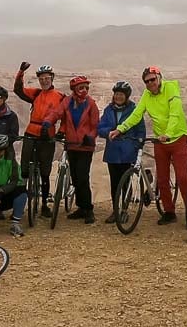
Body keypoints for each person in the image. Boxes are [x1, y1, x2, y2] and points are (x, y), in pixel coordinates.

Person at [109, 66, 187, 225]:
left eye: (153, 79)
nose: (150, 83)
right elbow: (136, 114)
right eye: (147, 81)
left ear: (160, 77)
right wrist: (120, 129)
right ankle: (169, 211)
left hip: (177, 138)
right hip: (160, 141)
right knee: (162, 178)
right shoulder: (147, 95)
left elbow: (175, 114)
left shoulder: (171, 89)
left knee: (182, 177)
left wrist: (168, 133)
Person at [43, 75, 100, 224]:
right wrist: (48, 122)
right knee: (75, 178)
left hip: (85, 147)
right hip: (71, 145)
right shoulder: (67, 102)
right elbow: (56, 113)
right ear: (74, 89)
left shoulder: (91, 104)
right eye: (81, 87)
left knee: (82, 177)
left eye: (86, 87)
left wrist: (90, 136)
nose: (84, 90)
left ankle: (88, 209)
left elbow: (95, 125)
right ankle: (81, 207)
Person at [14, 62, 65, 218]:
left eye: (46, 78)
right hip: (31, 132)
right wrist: (21, 72)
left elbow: (65, 118)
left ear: (52, 78)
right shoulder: (36, 94)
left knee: (44, 172)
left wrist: (61, 132)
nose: (44, 81)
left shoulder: (60, 97)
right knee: (24, 171)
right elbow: (18, 90)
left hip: (47, 136)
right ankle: (19, 206)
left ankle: (44, 205)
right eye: (41, 78)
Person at [97, 81, 146, 224]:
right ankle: (116, 210)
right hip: (112, 152)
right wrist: (110, 133)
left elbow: (140, 130)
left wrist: (136, 145)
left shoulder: (133, 110)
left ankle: (124, 210)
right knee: (115, 183)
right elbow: (100, 128)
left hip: (127, 152)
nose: (118, 97)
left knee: (126, 183)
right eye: (116, 94)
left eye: (121, 95)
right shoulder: (108, 110)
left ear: (127, 96)